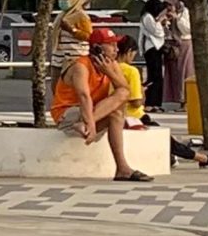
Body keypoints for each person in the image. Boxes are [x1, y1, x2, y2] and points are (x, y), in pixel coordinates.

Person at [118, 33, 208, 170]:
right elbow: (136, 102)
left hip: (120, 114)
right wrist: (142, 92)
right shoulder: (131, 71)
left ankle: (173, 157)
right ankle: (203, 158)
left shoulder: (110, 67)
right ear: (129, 52)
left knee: (166, 136)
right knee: (165, 136)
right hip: (135, 116)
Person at [54, 27, 148, 181]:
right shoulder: (80, 66)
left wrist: (109, 72)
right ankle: (83, 123)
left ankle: (122, 168)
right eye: (111, 45)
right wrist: (90, 123)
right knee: (114, 110)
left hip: (89, 116)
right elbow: (83, 96)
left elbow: (125, 91)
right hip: (68, 114)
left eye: (116, 45)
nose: (116, 49)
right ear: (97, 47)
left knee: (118, 108)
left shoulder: (111, 64)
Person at [137, 0, 170, 112]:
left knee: (158, 76)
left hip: (157, 47)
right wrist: (160, 21)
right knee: (154, 76)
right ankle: (150, 102)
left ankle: (156, 102)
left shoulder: (152, 18)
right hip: (151, 48)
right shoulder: (147, 17)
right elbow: (157, 32)